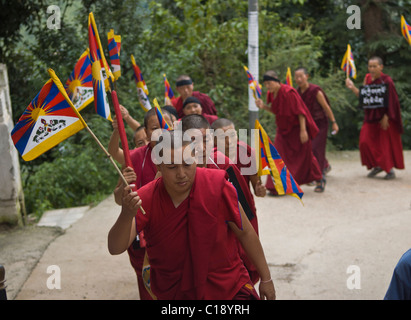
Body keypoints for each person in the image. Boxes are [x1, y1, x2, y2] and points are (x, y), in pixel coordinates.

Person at [108, 130, 276, 300]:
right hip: (177, 293)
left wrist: (266, 278)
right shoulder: (148, 197)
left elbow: (245, 232)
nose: (181, 174)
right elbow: (115, 248)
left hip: (227, 286)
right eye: (172, 167)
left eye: (187, 164)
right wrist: (126, 215)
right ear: (158, 166)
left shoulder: (216, 185)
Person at [181, 115, 260, 284]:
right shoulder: (173, 169)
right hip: (185, 255)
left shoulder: (223, 165)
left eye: (205, 140)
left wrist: (251, 260)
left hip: (222, 254)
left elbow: (244, 215)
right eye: (194, 141)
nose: (201, 148)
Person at [110, 107, 173, 300]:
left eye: (165, 126)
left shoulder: (182, 153)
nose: (161, 132)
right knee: (149, 285)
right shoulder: (136, 157)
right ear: (145, 132)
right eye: (154, 128)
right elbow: (118, 197)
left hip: (173, 229)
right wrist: (116, 128)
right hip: (142, 231)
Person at [255, 70, 322, 194]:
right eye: (266, 84)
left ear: (276, 81)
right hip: (282, 130)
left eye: (270, 83)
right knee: (276, 156)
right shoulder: (272, 94)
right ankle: (275, 187)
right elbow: (277, 111)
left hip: (296, 130)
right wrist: (263, 106)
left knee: (306, 156)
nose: (268, 87)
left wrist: (303, 131)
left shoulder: (288, 92)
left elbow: (300, 112)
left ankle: (319, 179)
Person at [345, 56, 404, 179]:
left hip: (384, 117)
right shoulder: (367, 78)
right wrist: (352, 87)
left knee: (383, 144)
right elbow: (363, 97)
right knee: (364, 142)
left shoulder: (387, 80)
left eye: (374, 66)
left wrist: (387, 116)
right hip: (370, 116)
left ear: (381, 67)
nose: (372, 69)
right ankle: (378, 165)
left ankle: (389, 170)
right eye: (370, 66)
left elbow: (393, 101)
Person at [294, 67, 339, 192]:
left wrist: (334, 122)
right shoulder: (296, 93)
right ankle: (319, 170)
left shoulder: (315, 91)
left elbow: (326, 107)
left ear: (307, 76)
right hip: (306, 125)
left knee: (315, 149)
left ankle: (321, 180)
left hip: (320, 124)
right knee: (307, 150)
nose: (298, 79)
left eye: (301, 76)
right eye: (296, 77)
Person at [211, 118, 266, 198]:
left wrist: (260, 191)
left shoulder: (246, 152)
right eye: (223, 137)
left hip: (245, 204)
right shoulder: (210, 159)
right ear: (214, 140)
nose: (229, 142)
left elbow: (257, 188)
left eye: (232, 135)